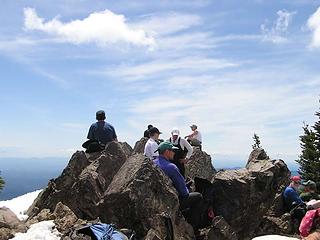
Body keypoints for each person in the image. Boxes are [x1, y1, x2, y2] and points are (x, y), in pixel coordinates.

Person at [153, 141, 203, 231]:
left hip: (158, 201)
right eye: (172, 150)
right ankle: (192, 228)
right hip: (171, 203)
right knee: (198, 196)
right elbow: (184, 193)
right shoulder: (171, 167)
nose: (174, 152)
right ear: (167, 152)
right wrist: (187, 187)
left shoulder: (153, 163)